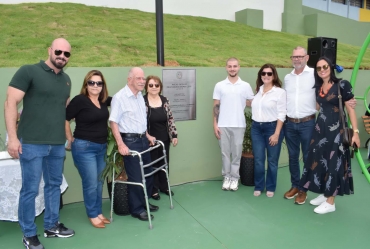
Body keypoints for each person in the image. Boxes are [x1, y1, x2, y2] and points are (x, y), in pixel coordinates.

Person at [4, 38, 75, 249]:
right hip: (32, 143)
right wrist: (13, 138)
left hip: (56, 144)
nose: (62, 56)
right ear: (50, 50)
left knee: (53, 186)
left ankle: (52, 225)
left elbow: (63, 111)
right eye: (59, 51)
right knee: (30, 190)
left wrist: (68, 136)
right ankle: (28, 234)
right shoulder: (29, 71)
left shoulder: (67, 80)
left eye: (67, 54)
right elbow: (10, 103)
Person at [283, 46, 357, 205]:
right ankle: (314, 190)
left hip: (322, 126)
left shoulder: (335, 82)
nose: (322, 70)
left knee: (327, 161)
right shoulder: (295, 80)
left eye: (325, 67)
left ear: (306, 57)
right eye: (294, 56)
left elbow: (348, 106)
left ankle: (321, 197)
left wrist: (355, 130)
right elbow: (318, 104)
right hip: (313, 127)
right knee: (312, 159)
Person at [298, 57, 360, 214]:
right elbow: (319, 107)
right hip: (320, 131)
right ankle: (325, 193)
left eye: (324, 66)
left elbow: (351, 109)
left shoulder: (342, 85)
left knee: (335, 163)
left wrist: (356, 133)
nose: (322, 70)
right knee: (319, 161)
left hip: (337, 132)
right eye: (318, 68)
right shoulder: (319, 86)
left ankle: (331, 201)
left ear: (331, 67)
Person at [109, 67, 159, 221]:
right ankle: (136, 209)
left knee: (148, 173)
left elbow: (139, 122)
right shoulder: (120, 97)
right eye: (139, 78)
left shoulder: (139, 97)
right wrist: (121, 144)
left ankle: (144, 202)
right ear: (129, 79)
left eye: (143, 78)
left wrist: (148, 135)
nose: (142, 81)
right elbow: (113, 122)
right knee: (136, 177)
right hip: (130, 142)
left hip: (143, 140)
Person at [65, 70, 112, 228]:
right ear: (86, 84)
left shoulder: (104, 101)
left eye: (99, 83)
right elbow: (65, 118)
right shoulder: (80, 100)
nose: (95, 86)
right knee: (91, 183)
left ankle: (98, 212)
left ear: (102, 86)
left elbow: (121, 99)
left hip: (101, 147)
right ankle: (92, 214)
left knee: (99, 182)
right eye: (91, 82)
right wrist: (70, 138)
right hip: (84, 148)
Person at [213, 57, 254, 191]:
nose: (232, 68)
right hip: (223, 125)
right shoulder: (219, 85)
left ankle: (235, 178)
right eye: (230, 66)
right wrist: (215, 124)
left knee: (236, 153)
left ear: (239, 67)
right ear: (226, 68)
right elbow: (216, 106)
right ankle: (227, 177)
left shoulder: (245, 86)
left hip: (239, 125)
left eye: (234, 66)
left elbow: (251, 102)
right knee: (225, 153)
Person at [283, 46, 317, 203]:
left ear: (307, 58)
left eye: (300, 56)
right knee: (292, 157)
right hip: (290, 124)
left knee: (308, 158)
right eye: (294, 57)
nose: (297, 59)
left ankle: (304, 189)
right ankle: (295, 185)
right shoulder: (287, 78)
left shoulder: (314, 74)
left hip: (308, 123)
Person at [251, 64, 286, 197]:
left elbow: (282, 114)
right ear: (260, 75)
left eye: (269, 73)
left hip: (272, 128)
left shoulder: (280, 92)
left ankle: (270, 186)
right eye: (263, 73)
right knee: (259, 159)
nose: (266, 76)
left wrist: (276, 134)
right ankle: (259, 186)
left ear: (274, 76)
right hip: (256, 128)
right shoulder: (258, 90)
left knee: (272, 160)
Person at [143, 75, 178, 200]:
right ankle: (153, 189)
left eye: (156, 85)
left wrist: (174, 135)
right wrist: (146, 136)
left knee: (164, 163)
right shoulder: (142, 101)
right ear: (146, 87)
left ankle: (165, 186)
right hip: (149, 139)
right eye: (151, 85)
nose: (154, 87)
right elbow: (140, 122)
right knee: (152, 164)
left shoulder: (165, 100)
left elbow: (170, 119)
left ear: (160, 87)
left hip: (164, 138)